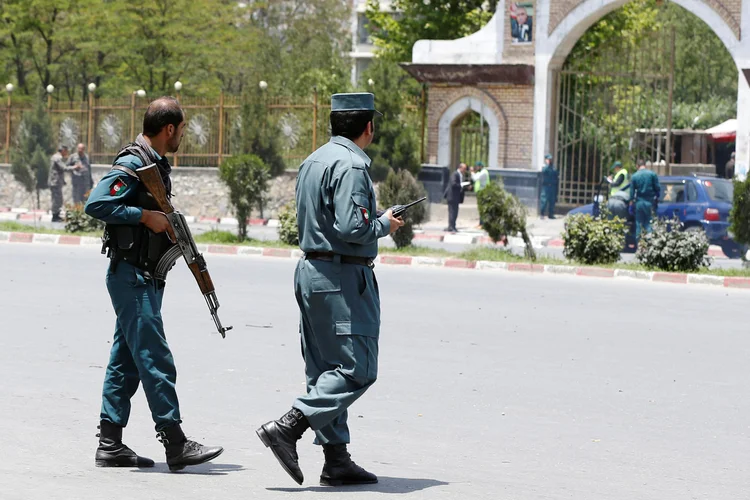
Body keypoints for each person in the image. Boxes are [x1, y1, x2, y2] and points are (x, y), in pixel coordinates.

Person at [255, 92, 404, 487]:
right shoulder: (352, 164)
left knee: (324, 368)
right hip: (341, 277)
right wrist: (385, 223)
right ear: (367, 127)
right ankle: (289, 426)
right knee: (357, 368)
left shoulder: (313, 159)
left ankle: (336, 459)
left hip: (312, 271)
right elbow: (352, 228)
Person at [85, 97, 223, 471]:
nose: (183, 136)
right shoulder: (133, 163)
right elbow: (96, 204)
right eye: (182, 129)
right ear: (169, 129)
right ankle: (175, 442)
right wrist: (145, 216)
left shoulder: (155, 165)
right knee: (155, 357)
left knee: (125, 360)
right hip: (132, 276)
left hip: (142, 274)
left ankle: (110, 442)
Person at [629, 158, 661, 244]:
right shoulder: (652, 174)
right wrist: (657, 198)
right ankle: (650, 243)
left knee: (639, 224)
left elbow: (631, 193)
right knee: (649, 223)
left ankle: (639, 244)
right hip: (650, 202)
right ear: (645, 165)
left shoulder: (634, 176)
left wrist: (631, 205)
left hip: (639, 203)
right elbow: (658, 189)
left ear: (637, 166)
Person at [48, 145, 78, 221]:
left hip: (56, 182)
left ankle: (56, 215)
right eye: (66, 151)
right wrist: (75, 167)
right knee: (56, 199)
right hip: (55, 182)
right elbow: (64, 168)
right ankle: (55, 216)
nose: (67, 153)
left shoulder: (56, 157)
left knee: (58, 199)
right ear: (63, 150)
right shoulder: (57, 158)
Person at [444, 163, 466, 232]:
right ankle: (451, 227)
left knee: (455, 212)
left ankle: (452, 226)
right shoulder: (455, 174)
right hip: (452, 197)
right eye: (464, 168)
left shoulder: (460, 175)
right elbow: (453, 184)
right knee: (452, 212)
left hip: (456, 197)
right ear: (460, 168)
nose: (465, 170)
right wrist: (461, 185)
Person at [470, 161, 490, 228]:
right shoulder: (480, 172)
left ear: (480, 166)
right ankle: (480, 223)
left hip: (483, 192)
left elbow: (475, 178)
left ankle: (483, 224)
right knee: (480, 208)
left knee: (482, 208)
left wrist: (472, 172)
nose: (476, 168)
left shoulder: (484, 172)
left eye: (477, 166)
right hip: (480, 192)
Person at [540, 154, 559, 219]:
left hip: (552, 187)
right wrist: (547, 164)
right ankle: (542, 214)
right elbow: (544, 172)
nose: (550, 160)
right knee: (544, 201)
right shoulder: (544, 167)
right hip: (546, 187)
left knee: (552, 201)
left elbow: (556, 176)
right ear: (546, 160)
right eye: (549, 159)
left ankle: (551, 214)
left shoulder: (553, 168)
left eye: (551, 159)